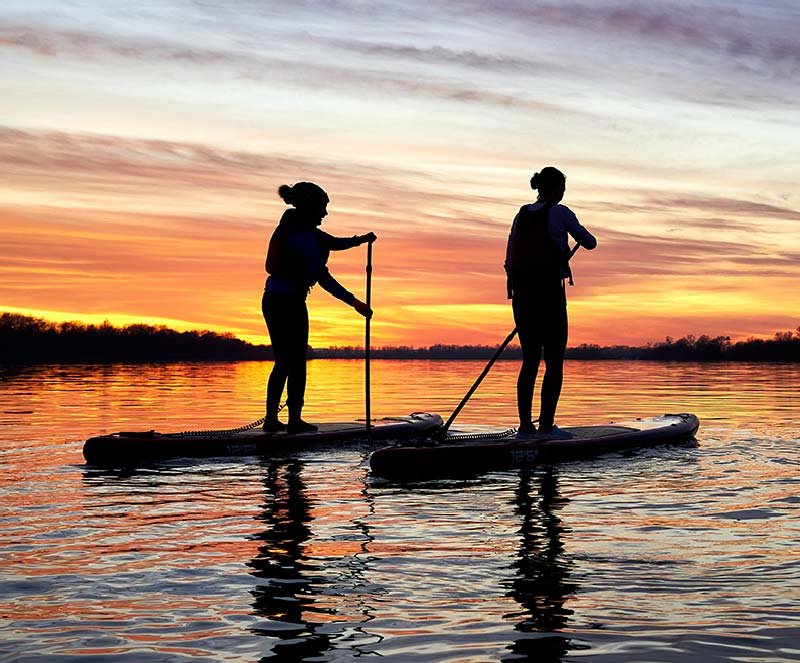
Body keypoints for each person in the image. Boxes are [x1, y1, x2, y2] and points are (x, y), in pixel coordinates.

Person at [262, 181, 375, 434]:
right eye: (322, 208)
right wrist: (355, 303)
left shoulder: (298, 228)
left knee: (284, 361)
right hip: (287, 303)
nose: (325, 214)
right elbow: (322, 277)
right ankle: (292, 422)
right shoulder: (301, 236)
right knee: (294, 362)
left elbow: (333, 242)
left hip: (275, 300)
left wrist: (361, 241)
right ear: (310, 208)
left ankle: (273, 420)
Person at [504, 167, 597, 439]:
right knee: (554, 361)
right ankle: (546, 427)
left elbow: (509, 258)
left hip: (522, 298)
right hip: (550, 297)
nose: (564, 193)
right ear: (556, 189)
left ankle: (525, 427)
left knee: (529, 361)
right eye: (563, 188)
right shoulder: (561, 212)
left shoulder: (520, 215)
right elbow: (590, 243)